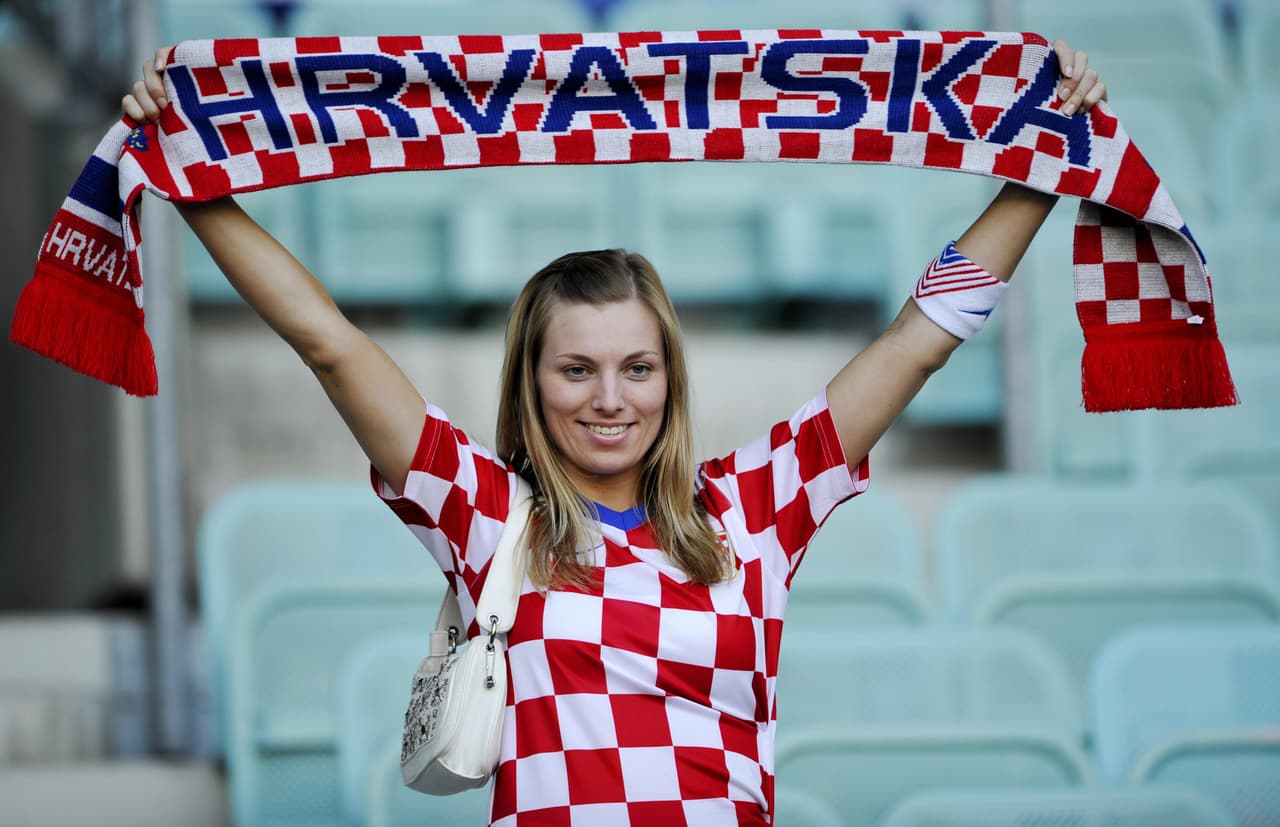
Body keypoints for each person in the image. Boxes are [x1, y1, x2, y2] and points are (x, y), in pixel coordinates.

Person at [125, 38, 1105, 826]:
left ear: (669, 376)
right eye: (575, 368)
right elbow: (330, 344)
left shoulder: (752, 503)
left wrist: (1038, 171)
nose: (609, 398)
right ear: (531, 379)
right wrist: (192, 179)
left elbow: (913, 344)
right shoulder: (485, 509)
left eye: (636, 366)